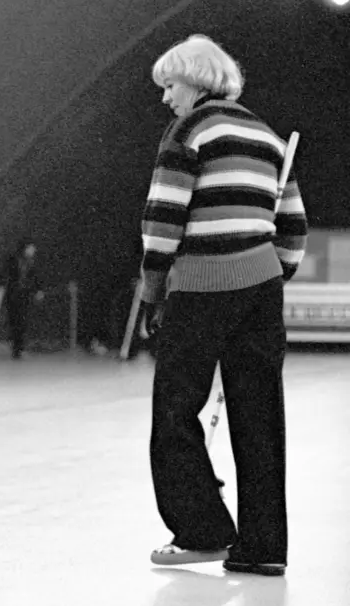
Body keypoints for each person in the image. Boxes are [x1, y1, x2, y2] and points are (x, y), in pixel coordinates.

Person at [139, 35, 306, 577]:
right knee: (261, 419)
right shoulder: (267, 137)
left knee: (174, 409)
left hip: (202, 286)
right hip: (260, 289)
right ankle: (263, 548)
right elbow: (293, 226)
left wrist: (152, 289)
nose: (167, 99)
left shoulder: (191, 130)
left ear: (196, 79)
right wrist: (267, 275)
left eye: (171, 85)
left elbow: (164, 217)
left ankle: (202, 530)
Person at [0, 240, 45, 359]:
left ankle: (18, 348)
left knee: (22, 322)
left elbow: (34, 277)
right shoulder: (13, 261)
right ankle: (17, 349)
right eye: (31, 248)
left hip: (24, 296)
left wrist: (37, 290)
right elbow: (5, 278)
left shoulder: (31, 262)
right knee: (16, 322)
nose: (33, 251)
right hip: (13, 296)